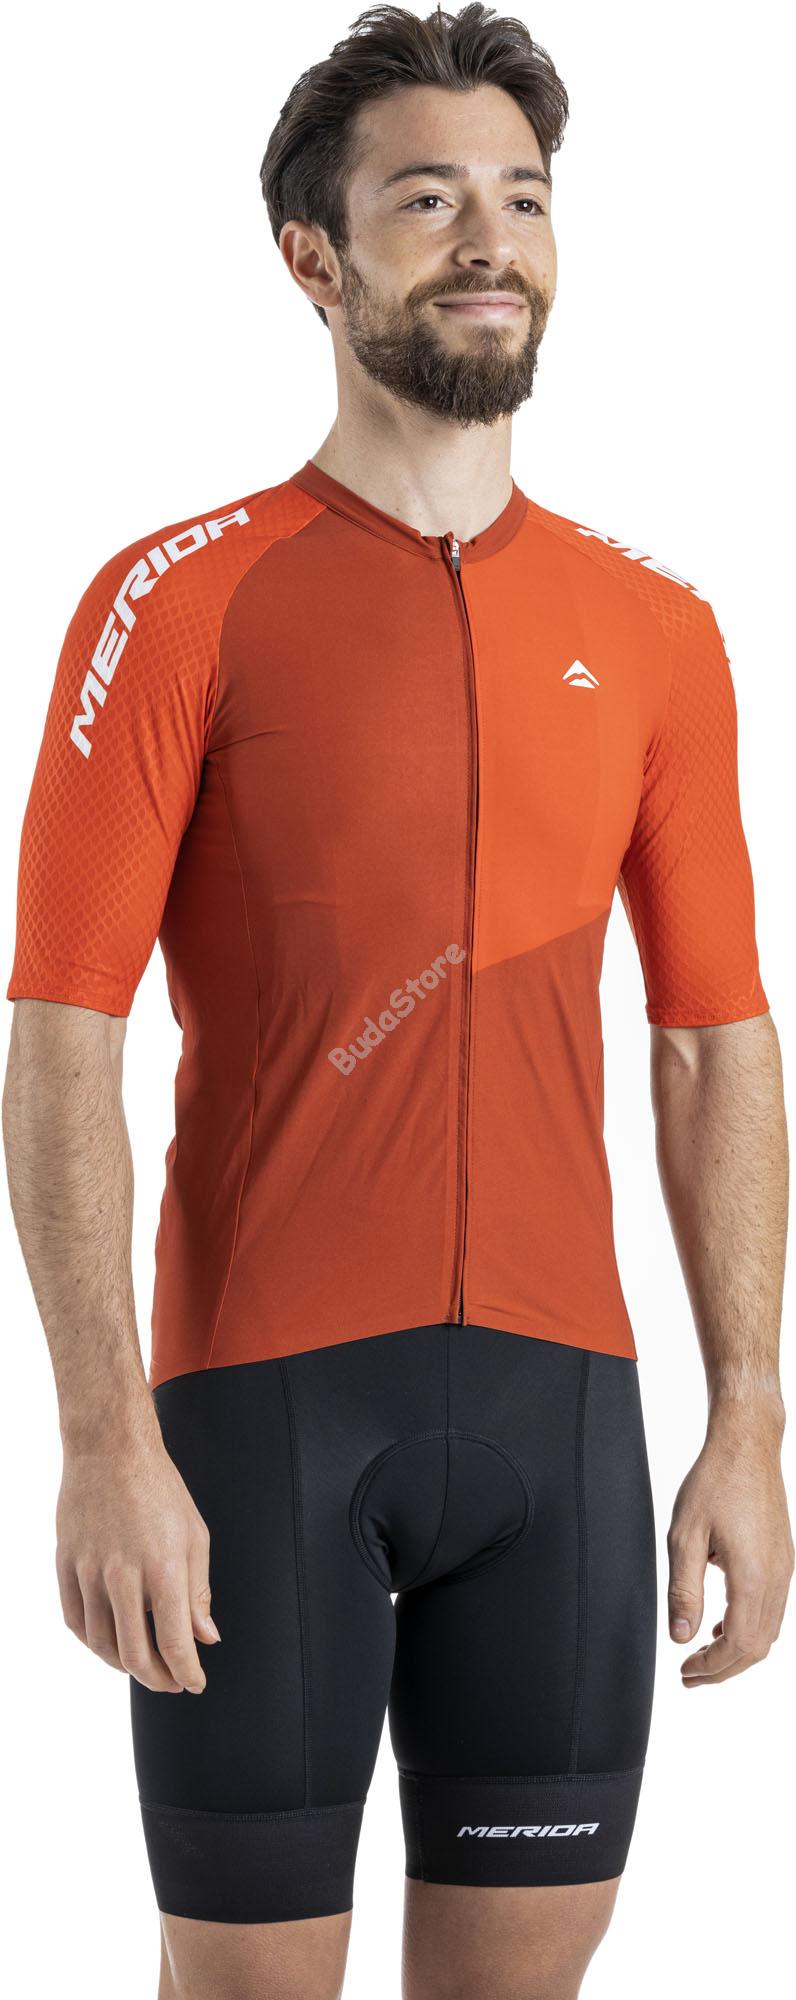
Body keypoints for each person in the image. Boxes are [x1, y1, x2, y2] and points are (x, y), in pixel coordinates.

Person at [3, 5, 792, 1997]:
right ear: (314, 256)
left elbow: (711, 1038)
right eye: (426, 199)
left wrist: (746, 1418)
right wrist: (101, 1436)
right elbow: (64, 1036)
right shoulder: (177, 599)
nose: (488, 239)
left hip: (561, 1422)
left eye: (522, 197)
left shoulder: (656, 631)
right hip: (257, 1420)